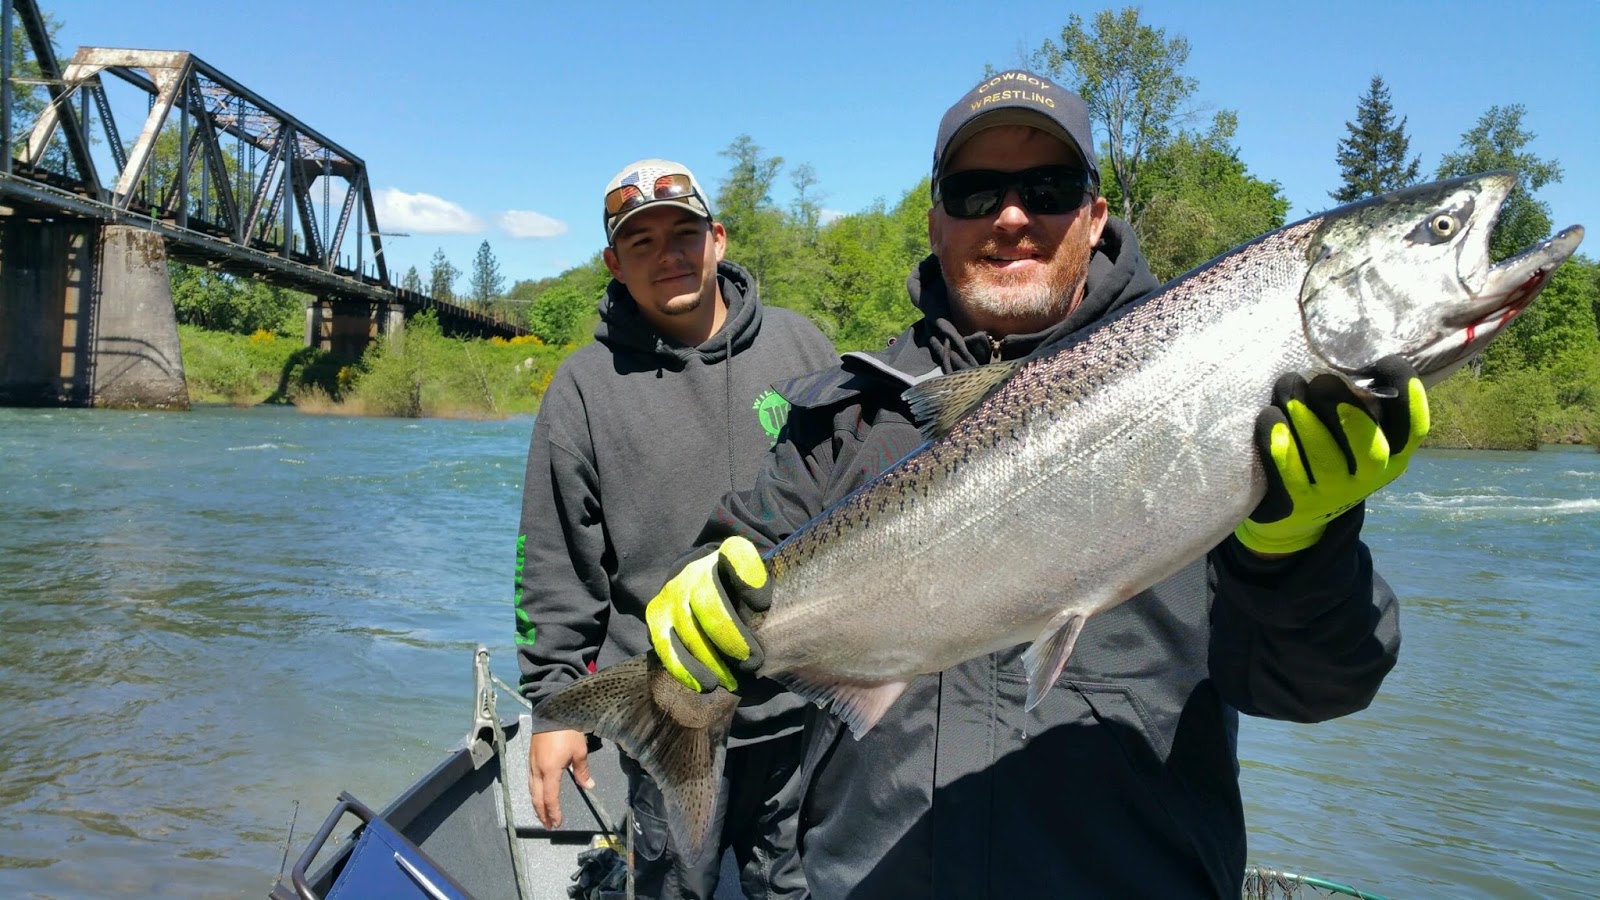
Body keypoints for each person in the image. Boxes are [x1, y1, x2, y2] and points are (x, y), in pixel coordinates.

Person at [644, 72, 1423, 897]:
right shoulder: (843, 414)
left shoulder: (1223, 385)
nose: (1011, 216)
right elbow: (736, 566)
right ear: (936, 219)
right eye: (976, 191)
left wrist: (1301, 551)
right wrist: (694, 621)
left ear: (1094, 215)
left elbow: (1317, 688)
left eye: (1047, 188)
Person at [514, 158, 837, 899]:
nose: (669, 255)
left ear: (718, 239)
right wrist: (555, 704)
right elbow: (557, 561)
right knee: (673, 888)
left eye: (685, 232)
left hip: (806, 704)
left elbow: (854, 499)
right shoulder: (582, 390)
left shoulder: (802, 349)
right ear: (613, 264)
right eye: (642, 242)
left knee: (801, 888)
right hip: (672, 714)